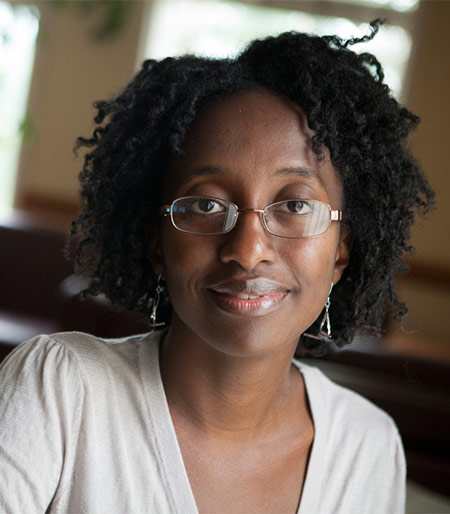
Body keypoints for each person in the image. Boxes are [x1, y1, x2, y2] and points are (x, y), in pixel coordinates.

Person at [0, 20, 434, 514]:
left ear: (340, 252)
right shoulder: (60, 391)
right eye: (206, 205)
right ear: (157, 243)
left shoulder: (368, 447)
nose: (248, 251)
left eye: (295, 205)